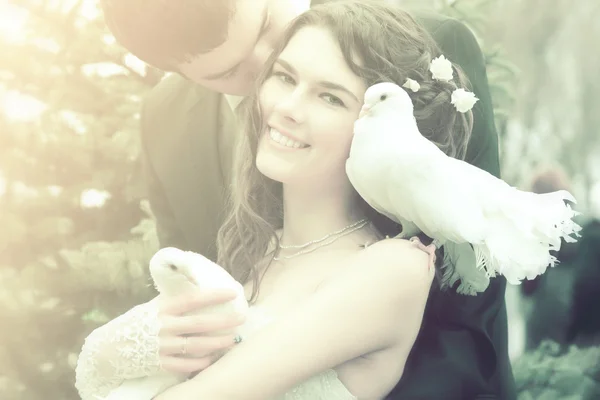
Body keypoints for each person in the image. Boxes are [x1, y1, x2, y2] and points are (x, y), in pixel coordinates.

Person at [89, 0, 515, 398]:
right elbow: (194, 321)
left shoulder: (425, 53)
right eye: (231, 72)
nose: (266, 79)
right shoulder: (166, 125)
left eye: (264, 32)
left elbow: (469, 309)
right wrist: (129, 347)